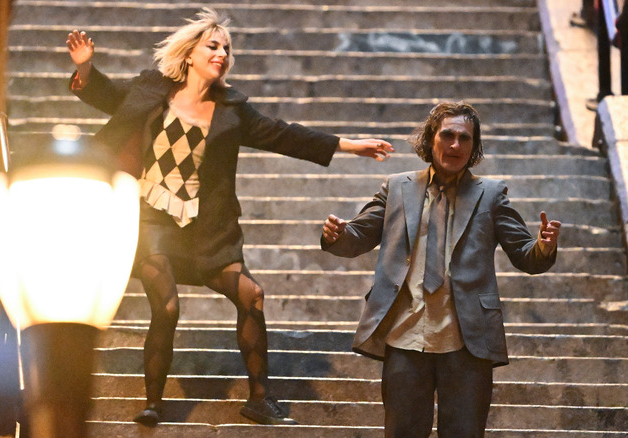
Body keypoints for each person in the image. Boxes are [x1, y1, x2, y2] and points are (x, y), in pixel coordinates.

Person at [66, 8, 394, 427]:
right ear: (189, 54)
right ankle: (153, 403)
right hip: (151, 223)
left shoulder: (233, 109)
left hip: (206, 233)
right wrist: (86, 67)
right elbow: (108, 95)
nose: (221, 53)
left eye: (226, 48)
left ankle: (260, 400)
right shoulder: (153, 89)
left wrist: (351, 145)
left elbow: (285, 134)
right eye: (213, 45)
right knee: (165, 306)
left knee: (251, 295)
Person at [321, 101, 560, 437]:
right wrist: (337, 234)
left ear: (474, 148)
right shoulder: (397, 187)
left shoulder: (490, 195)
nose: (455, 145)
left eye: (464, 139)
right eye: (447, 135)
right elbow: (358, 235)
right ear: (430, 139)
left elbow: (525, 254)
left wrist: (544, 246)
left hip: (466, 340)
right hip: (405, 336)